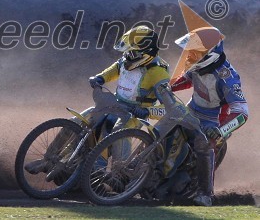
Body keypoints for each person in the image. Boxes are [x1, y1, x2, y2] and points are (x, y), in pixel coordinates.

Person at [25, 25, 170, 176]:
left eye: (132, 52)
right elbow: (115, 69)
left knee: (116, 133)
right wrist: (100, 78)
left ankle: (117, 175)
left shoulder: (159, 73)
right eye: (127, 51)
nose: (127, 55)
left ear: (145, 53)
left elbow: (170, 108)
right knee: (76, 122)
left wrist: (147, 111)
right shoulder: (128, 60)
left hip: (133, 114)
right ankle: (49, 160)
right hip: (113, 104)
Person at [171, 26, 248, 206]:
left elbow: (242, 113)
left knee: (203, 144)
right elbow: (187, 79)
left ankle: (205, 194)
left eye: (194, 53)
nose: (189, 56)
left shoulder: (227, 77)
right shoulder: (198, 65)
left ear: (210, 53)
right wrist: (167, 87)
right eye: (189, 52)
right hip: (191, 111)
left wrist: (220, 131)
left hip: (215, 122)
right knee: (165, 125)